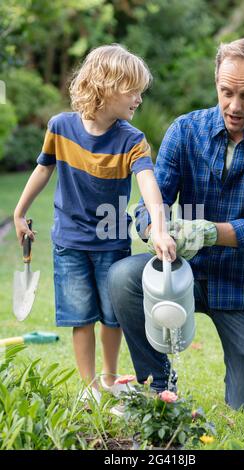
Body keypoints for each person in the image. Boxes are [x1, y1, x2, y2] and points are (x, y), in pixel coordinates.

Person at [108, 38, 244, 411]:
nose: (234, 106)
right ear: (216, 82)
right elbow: (153, 201)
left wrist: (207, 231)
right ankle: (159, 388)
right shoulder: (186, 131)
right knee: (124, 278)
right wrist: (156, 230)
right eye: (226, 92)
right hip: (185, 274)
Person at [14, 44, 176, 406]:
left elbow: (148, 183)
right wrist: (19, 211)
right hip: (69, 241)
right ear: (105, 86)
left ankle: (108, 377)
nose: (138, 99)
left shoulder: (132, 140)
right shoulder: (60, 127)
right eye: (132, 90)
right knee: (80, 315)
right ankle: (88, 387)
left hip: (110, 241)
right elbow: (44, 168)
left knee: (111, 316)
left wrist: (160, 228)